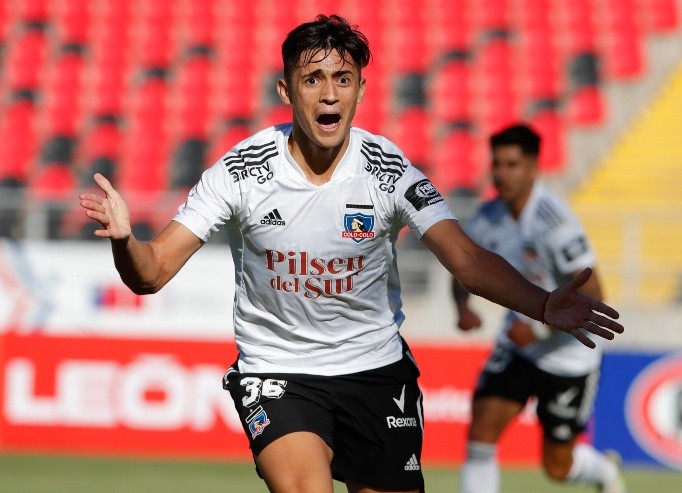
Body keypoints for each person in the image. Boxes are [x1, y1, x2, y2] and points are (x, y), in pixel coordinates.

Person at [80, 15, 623, 493]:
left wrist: (541, 304)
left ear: (361, 90)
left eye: (343, 79)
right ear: (286, 90)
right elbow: (151, 272)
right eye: (312, 79)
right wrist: (127, 243)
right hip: (279, 370)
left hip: (375, 371)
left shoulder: (389, 170)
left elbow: (467, 259)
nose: (329, 94)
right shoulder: (240, 171)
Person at [452, 124, 626, 493]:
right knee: (481, 432)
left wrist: (537, 329)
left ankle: (604, 472)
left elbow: (595, 294)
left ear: (533, 167)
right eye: (497, 164)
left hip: (569, 354)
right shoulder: (486, 218)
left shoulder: (555, 223)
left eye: (512, 164)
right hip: (518, 345)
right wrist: (463, 307)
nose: (502, 173)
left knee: (558, 468)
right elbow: (464, 265)